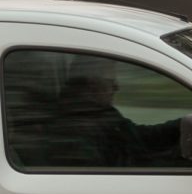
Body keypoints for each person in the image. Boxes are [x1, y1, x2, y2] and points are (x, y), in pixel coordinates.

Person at [51, 56, 183, 168]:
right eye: (111, 81)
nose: (116, 87)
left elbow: (138, 138)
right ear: (92, 84)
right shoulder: (79, 131)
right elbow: (104, 177)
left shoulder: (100, 113)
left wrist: (182, 126)